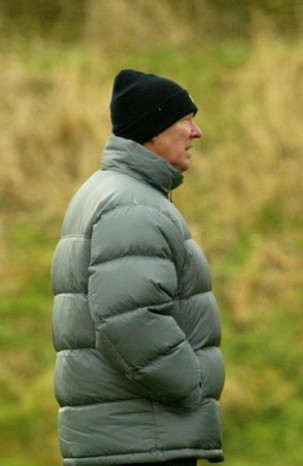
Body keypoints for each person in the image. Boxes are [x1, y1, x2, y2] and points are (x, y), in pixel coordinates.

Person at [51, 69, 225, 465]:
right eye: (185, 120)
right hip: (145, 439)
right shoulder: (132, 205)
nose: (196, 132)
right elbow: (128, 318)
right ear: (152, 130)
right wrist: (190, 383)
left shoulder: (111, 191)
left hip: (130, 436)